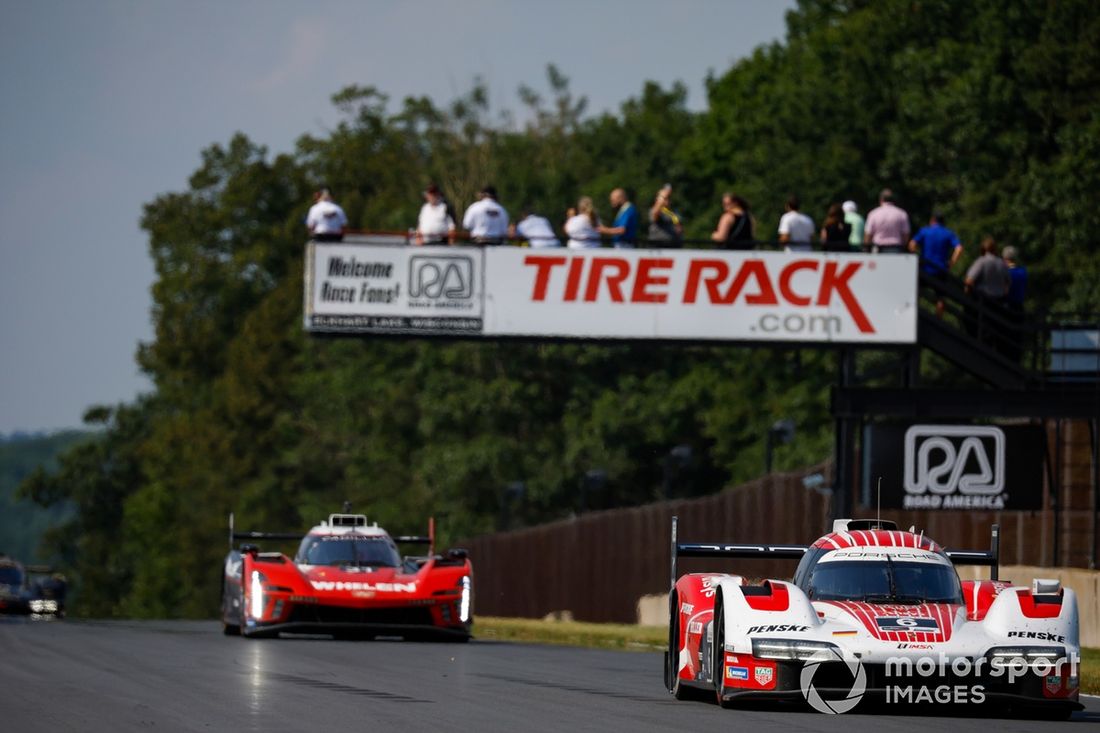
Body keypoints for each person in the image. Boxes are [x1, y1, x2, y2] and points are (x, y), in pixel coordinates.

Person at [909, 211, 962, 276]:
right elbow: (959, 248)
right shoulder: (949, 233)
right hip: (941, 270)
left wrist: (918, 259)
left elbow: (912, 244)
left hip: (925, 269)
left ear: (932, 220)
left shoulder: (924, 231)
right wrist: (951, 263)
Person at [863, 188, 910, 253]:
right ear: (893, 200)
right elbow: (905, 234)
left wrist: (866, 249)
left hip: (878, 248)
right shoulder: (902, 214)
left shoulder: (873, 213)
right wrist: (904, 247)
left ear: (881, 199)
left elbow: (868, 234)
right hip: (896, 248)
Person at [965, 236, 1011, 301]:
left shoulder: (982, 261)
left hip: (982, 298)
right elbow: (1007, 284)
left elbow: (969, 281)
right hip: (998, 301)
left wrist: (968, 294)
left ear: (982, 248)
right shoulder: (1002, 264)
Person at [1003, 245, 1027, 311]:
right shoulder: (1023, 271)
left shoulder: (1007, 273)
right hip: (1020, 307)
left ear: (1005, 258)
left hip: (1008, 307)